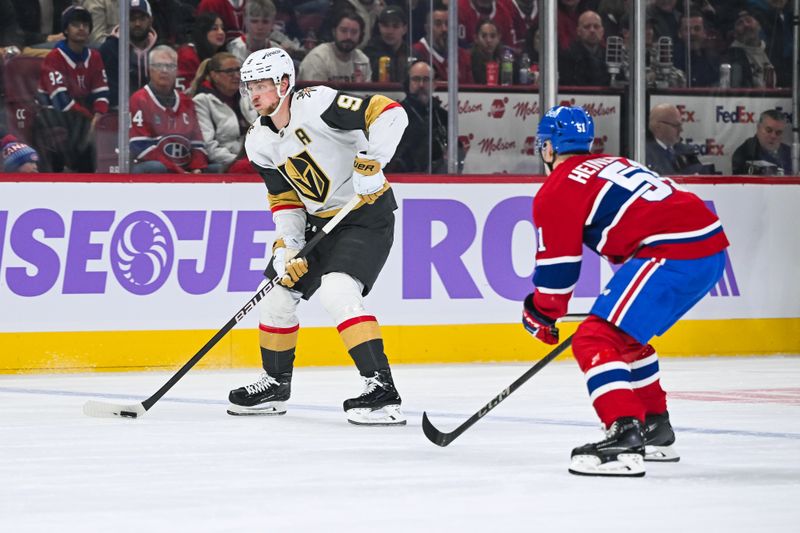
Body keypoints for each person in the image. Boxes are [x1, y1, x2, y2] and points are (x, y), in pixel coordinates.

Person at [523, 105, 729, 477]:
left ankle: (623, 433)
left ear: (548, 148)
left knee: (593, 341)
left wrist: (541, 312)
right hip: (709, 249)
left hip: (674, 252)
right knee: (626, 339)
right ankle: (654, 427)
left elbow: (559, 271)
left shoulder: (557, 188)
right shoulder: (612, 163)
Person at [230, 47, 409, 425]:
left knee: (337, 290)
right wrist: (287, 246)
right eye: (249, 87)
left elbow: (392, 113)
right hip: (317, 223)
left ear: (284, 83)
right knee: (277, 296)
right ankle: (275, 385)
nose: (254, 95)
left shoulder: (319, 103)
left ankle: (381, 389)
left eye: (261, 85)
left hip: (364, 215)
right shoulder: (258, 141)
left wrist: (373, 161)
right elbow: (284, 198)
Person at [34, 5, 109, 173]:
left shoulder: (95, 57)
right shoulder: (54, 57)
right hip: (52, 114)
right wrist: (90, 119)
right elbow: (60, 101)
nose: (81, 28)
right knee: (80, 130)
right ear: (66, 30)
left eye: (85, 24)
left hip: (81, 115)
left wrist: (99, 115)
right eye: (76, 24)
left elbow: (102, 92)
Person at [129, 45, 209, 173]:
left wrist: (197, 168)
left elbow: (197, 142)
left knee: (217, 169)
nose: (164, 70)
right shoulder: (139, 99)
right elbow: (140, 146)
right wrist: (178, 171)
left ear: (177, 70)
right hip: (152, 166)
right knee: (156, 168)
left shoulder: (186, 101)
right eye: (158, 66)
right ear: (150, 69)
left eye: (170, 66)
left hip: (184, 166)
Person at [189, 52, 256, 172]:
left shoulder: (248, 96)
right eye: (229, 71)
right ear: (214, 75)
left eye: (238, 70)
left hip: (251, 159)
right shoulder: (202, 101)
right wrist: (237, 162)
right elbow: (208, 146)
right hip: (222, 162)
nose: (236, 75)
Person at [386, 60, 453, 173]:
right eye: (416, 79)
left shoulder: (442, 116)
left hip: (438, 181)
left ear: (434, 84)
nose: (421, 84)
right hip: (403, 180)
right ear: (408, 83)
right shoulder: (394, 115)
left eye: (426, 80)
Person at [99, 0, 158, 108]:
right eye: (132, 19)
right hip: (119, 113)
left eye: (142, 18)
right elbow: (112, 94)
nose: (137, 24)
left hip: (154, 113)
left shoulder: (159, 49)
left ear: (151, 20)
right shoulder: (109, 49)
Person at [297, 10, 372, 83]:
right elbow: (313, 93)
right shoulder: (318, 58)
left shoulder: (362, 60)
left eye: (354, 32)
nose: (348, 37)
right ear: (334, 32)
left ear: (360, 35)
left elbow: (367, 94)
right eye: (343, 31)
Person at [412, 1, 473, 83]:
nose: (444, 29)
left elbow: (471, 91)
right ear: (427, 28)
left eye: (447, 24)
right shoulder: (416, 51)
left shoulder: (463, 56)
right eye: (438, 24)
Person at [645, 103, 708, 175]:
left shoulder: (687, 151)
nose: (681, 130)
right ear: (658, 126)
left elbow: (700, 175)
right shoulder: (643, 154)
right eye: (676, 125)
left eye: (680, 125)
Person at [721, 9, 774, 88]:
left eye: (749, 20)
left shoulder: (772, 50)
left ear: (759, 25)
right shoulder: (731, 56)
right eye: (740, 23)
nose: (746, 25)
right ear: (734, 34)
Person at [731, 109, 791, 175]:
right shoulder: (745, 153)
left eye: (778, 133)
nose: (773, 136)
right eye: (769, 130)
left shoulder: (791, 154)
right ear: (758, 128)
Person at [558, 10, 611, 87]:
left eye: (596, 26)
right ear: (578, 31)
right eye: (587, 27)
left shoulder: (610, 55)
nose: (592, 30)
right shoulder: (566, 56)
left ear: (602, 31)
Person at [176, 12, 227, 92]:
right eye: (214, 28)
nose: (221, 32)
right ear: (203, 31)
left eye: (222, 28)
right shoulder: (187, 55)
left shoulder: (221, 54)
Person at [362, 4, 410, 83]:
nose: (390, 31)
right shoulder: (369, 53)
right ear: (379, 27)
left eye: (395, 26)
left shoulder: (411, 54)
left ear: (404, 29)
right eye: (385, 25)